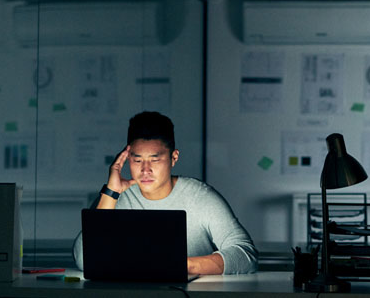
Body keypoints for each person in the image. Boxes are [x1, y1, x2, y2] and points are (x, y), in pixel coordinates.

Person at [73, 111, 257, 275]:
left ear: (173, 158)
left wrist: (182, 266)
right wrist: (111, 192)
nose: (145, 170)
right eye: (137, 161)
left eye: (155, 160)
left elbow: (244, 254)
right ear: (127, 159)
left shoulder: (200, 197)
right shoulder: (114, 197)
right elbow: (85, 259)